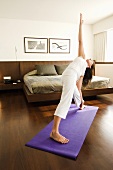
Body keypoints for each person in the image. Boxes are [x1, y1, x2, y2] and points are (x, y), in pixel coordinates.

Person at [50, 13, 94, 144]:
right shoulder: (82, 57)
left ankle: (81, 103)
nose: (90, 58)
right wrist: (81, 24)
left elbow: (78, 88)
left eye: (92, 60)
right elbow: (80, 40)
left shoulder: (82, 71)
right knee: (66, 101)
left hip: (69, 76)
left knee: (76, 94)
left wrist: (80, 99)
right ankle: (54, 132)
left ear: (90, 66)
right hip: (68, 75)